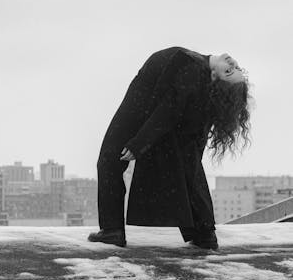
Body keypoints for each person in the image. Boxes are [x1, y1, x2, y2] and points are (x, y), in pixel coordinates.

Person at [88, 46, 251, 249]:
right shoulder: (198, 68)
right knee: (186, 163)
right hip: (146, 109)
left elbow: (169, 109)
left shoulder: (193, 69)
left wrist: (139, 143)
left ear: (213, 78)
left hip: (140, 110)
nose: (232, 63)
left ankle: (112, 230)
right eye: (235, 68)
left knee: (109, 159)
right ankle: (204, 232)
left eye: (229, 71)